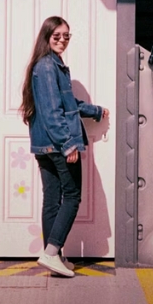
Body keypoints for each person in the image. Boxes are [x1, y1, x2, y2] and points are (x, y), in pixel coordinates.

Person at [20, 16, 109, 277]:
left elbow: (68, 104)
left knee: (51, 200)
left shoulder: (48, 65)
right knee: (71, 197)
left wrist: (95, 111)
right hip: (58, 145)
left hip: (44, 145)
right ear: (47, 37)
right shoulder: (48, 67)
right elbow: (52, 112)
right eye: (57, 35)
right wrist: (68, 145)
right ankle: (50, 253)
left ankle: (54, 256)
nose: (62, 40)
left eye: (66, 36)